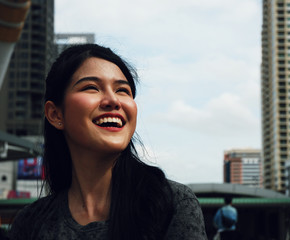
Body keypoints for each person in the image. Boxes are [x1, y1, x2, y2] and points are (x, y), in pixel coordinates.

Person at [8, 44, 207, 240]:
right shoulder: (31, 224)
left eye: (122, 90)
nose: (113, 100)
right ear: (55, 114)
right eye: (92, 88)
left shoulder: (173, 203)